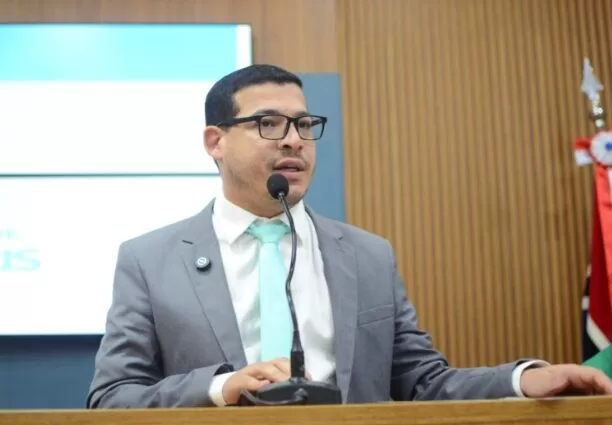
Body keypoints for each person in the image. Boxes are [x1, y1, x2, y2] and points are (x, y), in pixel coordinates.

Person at [86, 64, 612, 408]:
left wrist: (524, 380)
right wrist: (219, 387)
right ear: (215, 142)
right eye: (269, 124)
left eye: (303, 125)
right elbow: (112, 397)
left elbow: (422, 382)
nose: (293, 140)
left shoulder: (367, 255)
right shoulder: (149, 260)